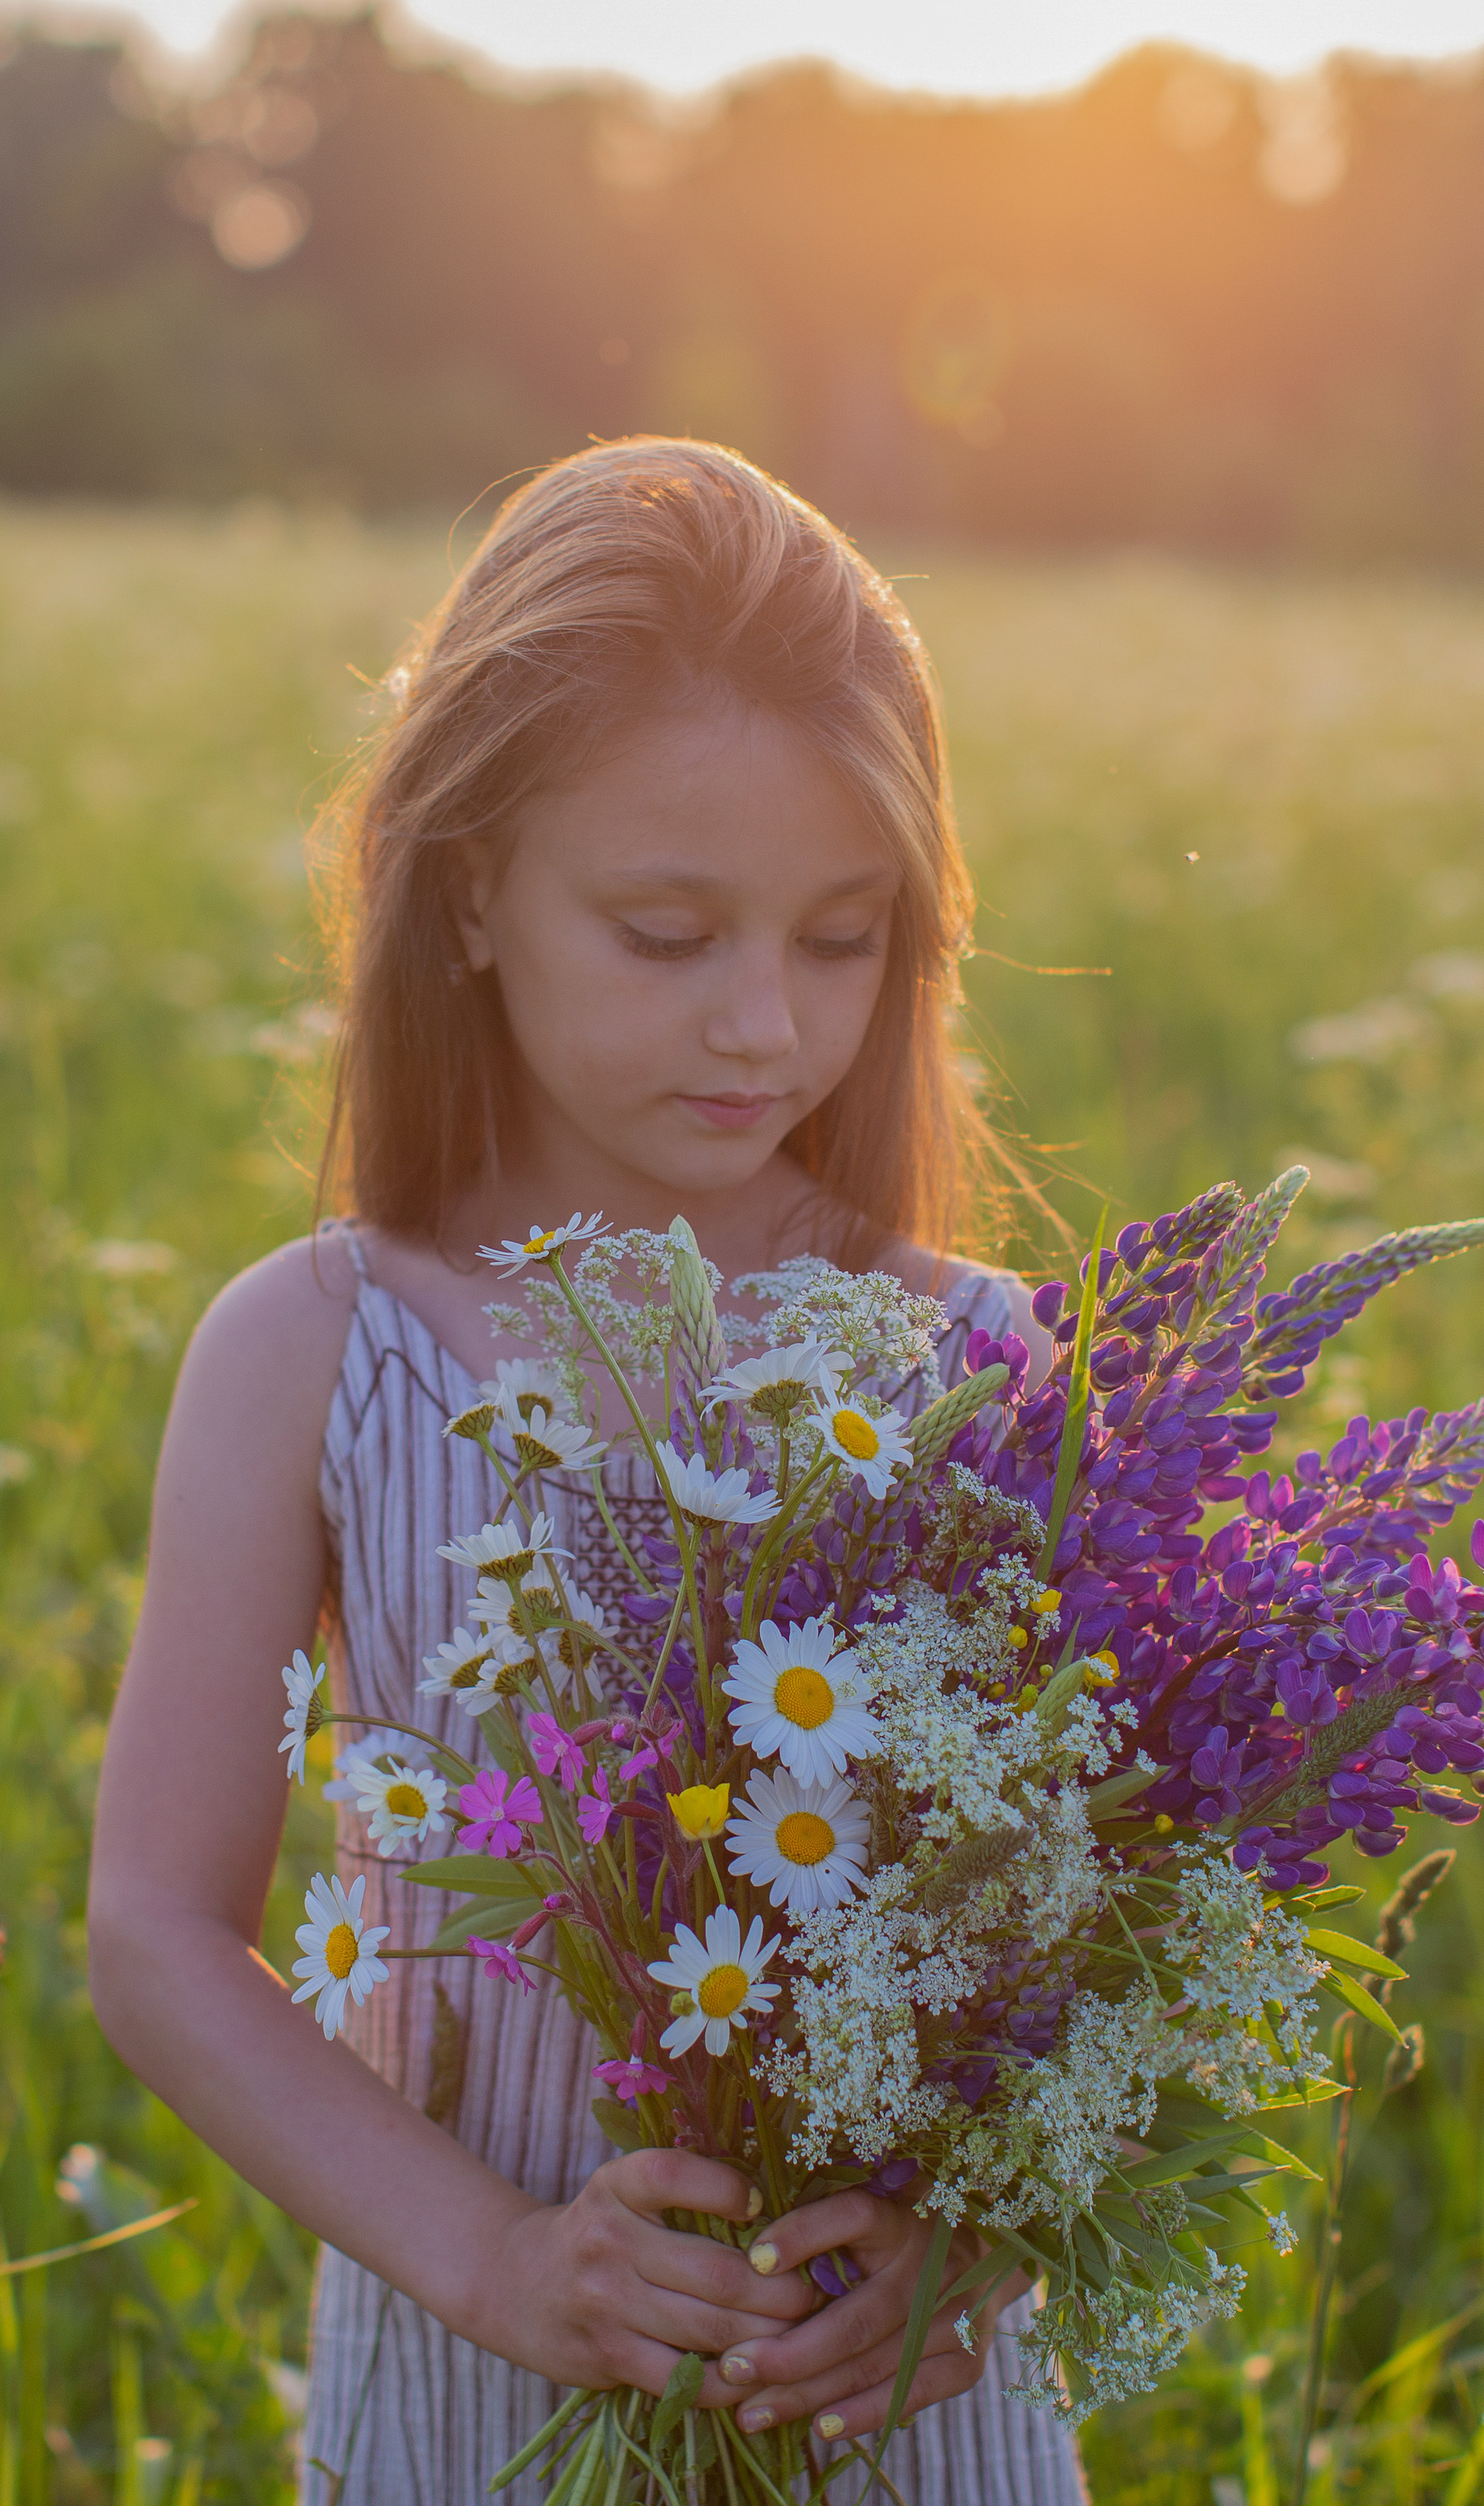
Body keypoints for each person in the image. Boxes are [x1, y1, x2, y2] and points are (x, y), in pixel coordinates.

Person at [88, 440, 1083, 2504]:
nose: (764, 1025)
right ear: (466, 888)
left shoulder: (978, 1362)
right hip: (475, 2406)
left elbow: (1079, 1939)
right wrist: (499, 2259)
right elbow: (159, 1934)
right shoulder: (321, 1350)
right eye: (665, 931)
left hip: (898, 2416)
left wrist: (979, 2239)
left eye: (841, 938)